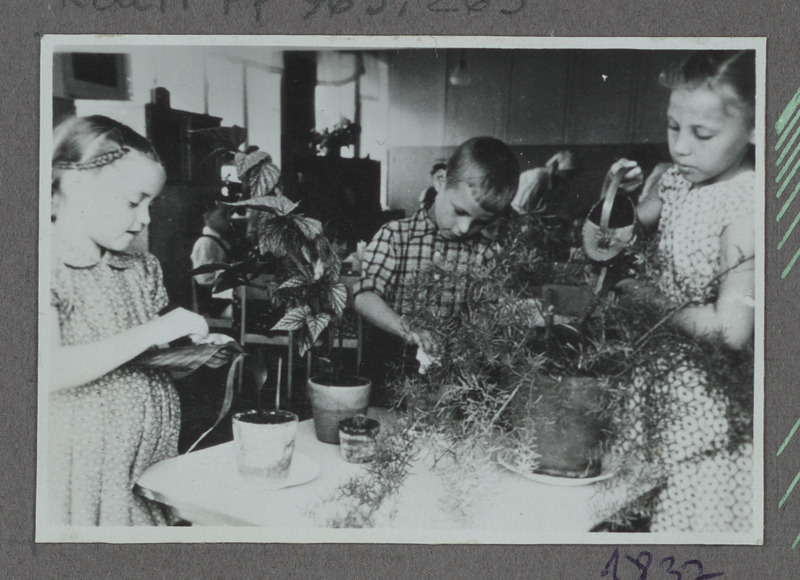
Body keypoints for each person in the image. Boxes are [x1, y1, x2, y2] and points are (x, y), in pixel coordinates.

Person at [610, 50, 756, 533]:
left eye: (702, 134)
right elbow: (626, 230)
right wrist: (620, 194)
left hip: (710, 410)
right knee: (634, 516)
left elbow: (732, 331)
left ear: (756, 129)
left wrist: (655, 305)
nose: (681, 148)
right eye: (673, 127)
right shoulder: (676, 180)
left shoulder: (749, 204)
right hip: (660, 389)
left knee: (684, 527)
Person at [48, 115, 210, 525]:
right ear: (78, 185)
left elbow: (147, 359)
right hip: (82, 478)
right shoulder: (43, 263)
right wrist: (156, 330)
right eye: (133, 201)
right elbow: (44, 368)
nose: (146, 219)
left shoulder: (141, 268)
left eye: (150, 205)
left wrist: (193, 355)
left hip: (145, 470)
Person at [354, 137, 520, 395]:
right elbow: (365, 297)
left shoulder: (485, 252)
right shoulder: (395, 235)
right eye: (460, 211)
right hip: (391, 371)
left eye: (480, 223)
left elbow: (489, 316)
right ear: (440, 181)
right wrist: (408, 329)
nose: (465, 229)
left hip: (453, 376)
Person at [190, 202, 234, 317]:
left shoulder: (220, 242)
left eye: (230, 214)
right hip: (213, 305)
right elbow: (203, 279)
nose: (229, 218)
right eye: (223, 214)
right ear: (207, 216)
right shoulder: (205, 243)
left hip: (225, 299)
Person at [510, 150, 579, 215]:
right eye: (568, 173)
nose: (570, 177)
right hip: (516, 213)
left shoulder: (556, 182)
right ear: (556, 167)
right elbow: (519, 206)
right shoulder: (538, 177)